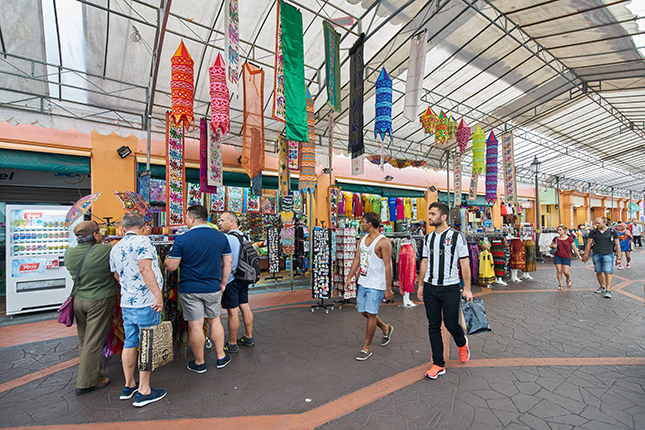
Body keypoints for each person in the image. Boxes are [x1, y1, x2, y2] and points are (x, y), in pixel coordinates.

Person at [164, 205, 232, 373]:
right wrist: (223, 283)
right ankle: (221, 356)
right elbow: (228, 263)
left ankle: (200, 362)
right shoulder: (221, 237)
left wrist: (167, 257)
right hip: (213, 287)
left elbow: (171, 267)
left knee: (195, 325)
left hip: (190, 288)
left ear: (192, 219)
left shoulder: (182, 239)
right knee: (215, 320)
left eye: (187, 218)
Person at [109, 213, 166, 407]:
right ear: (143, 227)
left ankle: (129, 385)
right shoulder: (144, 242)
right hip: (146, 302)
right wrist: (157, 295)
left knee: (130, 341)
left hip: (128, 302)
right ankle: (144, 390)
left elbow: (117, 275)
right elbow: (145, 269)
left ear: (124, 228)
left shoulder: (116, 247)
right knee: (148, 343)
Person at [417, 202, 473, 380]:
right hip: (430, 287)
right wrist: (420, 285)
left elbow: (464, 262)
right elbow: (424, 262)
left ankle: (462, 344)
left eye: (433, 214)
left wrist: (468, 289)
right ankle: (438, 364)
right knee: (433, 326)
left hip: (450, 288)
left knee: (451, 324)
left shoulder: (457, 237)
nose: (429, 217)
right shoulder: (428, 238)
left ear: (443, 217)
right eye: (429, 213)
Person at [65, 221, 118, 396]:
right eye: (99, 232)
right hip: (99, 301)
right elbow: (119, 243)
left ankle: (91, 372)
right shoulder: (104, 250)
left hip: (79, 301)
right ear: (95, 235)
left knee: (84, 340)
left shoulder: (69, 254)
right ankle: (87, 382)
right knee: (94, 342)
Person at [345, 212, 394, 361]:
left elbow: (387, 267)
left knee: (371, 314)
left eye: (362, 222)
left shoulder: (383, 242)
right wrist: (350, 277)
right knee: (363, 311)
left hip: (376, 284)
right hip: (363, 282)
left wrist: (388, 288)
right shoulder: (363, 239)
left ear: (370, 224)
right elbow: (357, 259)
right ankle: (385, 327)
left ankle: (366, 347)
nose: (361, 224)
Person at [219, 211, 255, 353]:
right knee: (245, 306)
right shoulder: (244, 236)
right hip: (243, 277)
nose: (220, 223)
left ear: (232, 222)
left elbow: (228, 262)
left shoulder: (228, 239)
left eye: (222, 220)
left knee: (232, 311)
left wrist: (223, 280)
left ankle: (232, 343)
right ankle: (248, 337)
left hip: (232, 279)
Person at [582, 216, 621, 299]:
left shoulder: (612, 232)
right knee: (598, 271)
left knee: (608, 272)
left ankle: (608, 290)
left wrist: (619, 257)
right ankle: (602, 286)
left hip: (608, 253)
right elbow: (589, 244)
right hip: (596, 253)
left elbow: (617, 244)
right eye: (596, 223)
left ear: (604, 223)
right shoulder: (594, 232)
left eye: (598, 223)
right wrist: (586, 255)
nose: (596, 224)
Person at [549, 225, 581, 290]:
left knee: (566, 272)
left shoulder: (570, 239)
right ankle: (560, 284)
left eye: (560, 230)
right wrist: (553, 245)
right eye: (558, 230)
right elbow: (550, 245)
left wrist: (579, 256)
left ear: (564, 230)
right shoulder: (556, 238)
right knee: (559, 271)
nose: (558, 231)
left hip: (567, 256)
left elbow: (574, 248)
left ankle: (568, 279)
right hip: (558, 256)